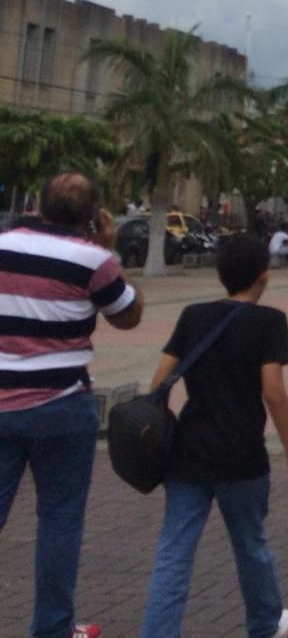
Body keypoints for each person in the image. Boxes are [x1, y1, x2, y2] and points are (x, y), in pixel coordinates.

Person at [139, 233, 288, 638]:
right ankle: (264, 624)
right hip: (242, 454)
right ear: (263, 277)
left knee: (174, 552)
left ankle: (158, 632)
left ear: (221, 274)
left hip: (188, 452)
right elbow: (273, 392)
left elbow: (159, 384)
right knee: (250, 545)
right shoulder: (270, 322)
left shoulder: (193, 315)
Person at [0, 173, 143, 638]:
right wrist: (110, 248)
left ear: (39, 205)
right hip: (61, 405)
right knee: (59, 520)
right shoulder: (94, 260)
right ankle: (52, 628)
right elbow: (128, 316)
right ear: (92, 215)